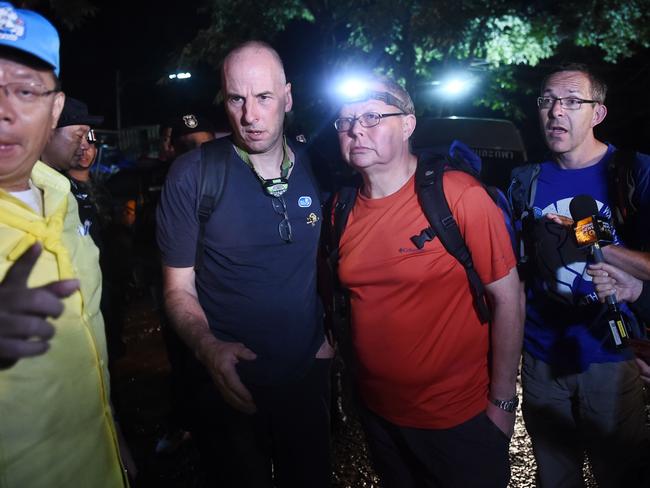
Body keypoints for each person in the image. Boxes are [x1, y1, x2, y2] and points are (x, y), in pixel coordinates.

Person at [332, 74, 523, 488]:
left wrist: (503, 402)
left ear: (407, 124)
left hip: (458, 419)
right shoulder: (340, 208)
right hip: (380, 416)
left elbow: (508, 298)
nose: (355, 129)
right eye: (345, 122)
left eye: (371, 116)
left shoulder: (458, 196)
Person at [156, 40, 333, 488]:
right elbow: (178, 290)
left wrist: (329, 340)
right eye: (237, 99)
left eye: (264, 98)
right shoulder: (193, 174)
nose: (250, 116)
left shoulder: (319, 167)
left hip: (306, 379)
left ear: (288, 97)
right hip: (227, 384)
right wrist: (208, 349)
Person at [0, 3, 127, 486]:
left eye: (26, 90)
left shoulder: (62, 195)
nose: (4, 109)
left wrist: (112, 432)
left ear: (54, 109)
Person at [509, 63, 650, 488]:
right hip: (539, 359)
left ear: (598, 113)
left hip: (611, 354)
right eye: (547, 101)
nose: (556, 112)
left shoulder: (633, 171)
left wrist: (589, 239)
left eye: (572, 101)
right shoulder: (525, 181)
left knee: (623, 475)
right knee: (554, 476)